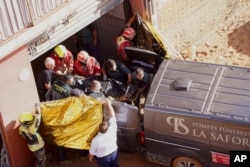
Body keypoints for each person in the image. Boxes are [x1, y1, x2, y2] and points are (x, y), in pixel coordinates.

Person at [89, 98, 119, 167]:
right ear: (108, 127)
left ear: (98, 130)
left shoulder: (95, 140)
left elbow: (92, 152)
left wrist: (90, 157)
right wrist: (109, 104)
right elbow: (112, 115)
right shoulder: (112, 129)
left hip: (103, 157)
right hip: (114, 152)